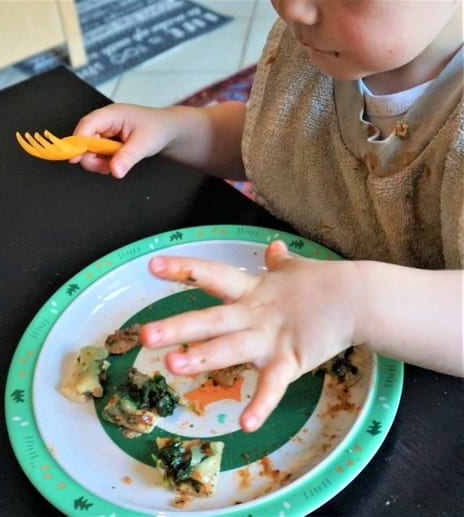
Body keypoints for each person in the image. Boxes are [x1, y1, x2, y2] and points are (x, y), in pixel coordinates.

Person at [70, 0, 464, 432]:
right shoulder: (321, 46)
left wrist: (354, 302)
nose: (292, 8)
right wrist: (179, 130)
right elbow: (281, 143)